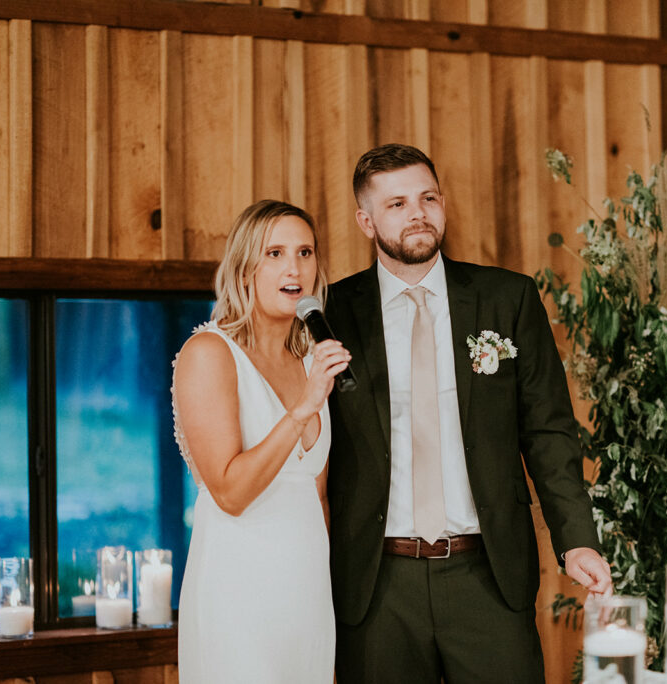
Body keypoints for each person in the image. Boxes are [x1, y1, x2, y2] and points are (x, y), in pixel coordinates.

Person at [325, 144, 613, 684]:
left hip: (487, 575)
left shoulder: (508, 298)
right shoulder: (331, 311)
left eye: (428, 197)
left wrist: (577, 540)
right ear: (366, 220)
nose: (418, 214)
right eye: (397, 204)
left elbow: (549, 432)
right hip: (376, 583)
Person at [171, 200, 349, 682]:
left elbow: (317, 497)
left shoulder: (311, 362)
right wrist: (303, 407)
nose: (294, 268)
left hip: (306, 605)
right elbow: (230, 492)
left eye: (305, 252)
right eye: (274, 253)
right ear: (245, 268)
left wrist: (327, 611)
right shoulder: (208, 353)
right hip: (238, 600)